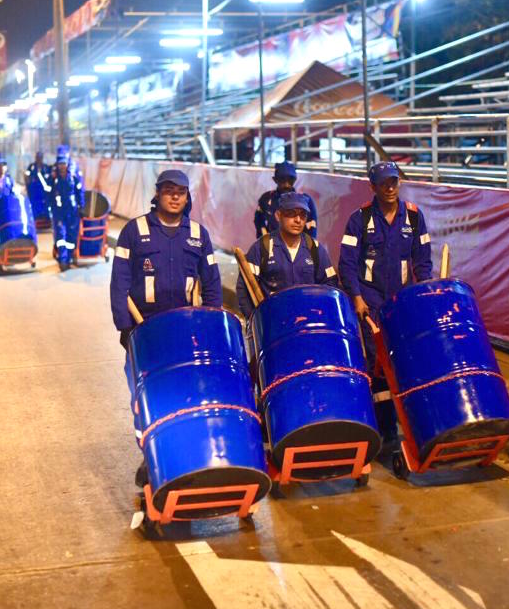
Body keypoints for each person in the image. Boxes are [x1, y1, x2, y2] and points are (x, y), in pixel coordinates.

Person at [109, 169, 222, 485]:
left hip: (185, 331)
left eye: (181, 192)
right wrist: (125, 326)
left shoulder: (199, 234)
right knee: (145, 398)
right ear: (157, 194)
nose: (175, 196)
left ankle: (185, 453)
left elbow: (211, 282)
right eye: (169, 190)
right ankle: (151, 455)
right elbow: (119, 282)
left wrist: (211, 324)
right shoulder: (134, 231)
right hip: (144, 332)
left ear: (187, 197)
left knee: (186, 393)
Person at [338, 161, 432, 448]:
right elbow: (347, 263)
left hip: (400, 304)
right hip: (370, 305)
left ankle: (409, 424)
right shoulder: (359, 219)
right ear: (373, 187)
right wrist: (356, 297)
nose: (390, 188)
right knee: (375, 365)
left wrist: (422, 294)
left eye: (393, 182)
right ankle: (384, 432)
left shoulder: (414, 218)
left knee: (401, 362)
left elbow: (423, 260)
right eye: (383, 184)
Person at [236, 192, 338, 319]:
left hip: (307, 322)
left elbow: (330, 285)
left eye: (303, 215)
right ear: (278, 215)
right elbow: (244, 289)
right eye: (291, 214)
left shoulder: (315, 249)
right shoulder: (261, 248)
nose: (298, 220)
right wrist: (255, 320)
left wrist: (317, 312)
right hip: (275, 324)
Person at [254, 161, 318, 239]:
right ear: (275, 180)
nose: (286, 185)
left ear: (295, 180)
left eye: (290, 180)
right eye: (282, 180)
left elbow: (312, 226)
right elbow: (259, 221)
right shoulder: (266, 199)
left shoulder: (306, 200)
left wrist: (307, 248)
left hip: (297, 246)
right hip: (272, 246)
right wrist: (264, 243)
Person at [50, 148, 82, 270]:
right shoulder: (54, 178)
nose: (62, 166)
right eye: (60, 163)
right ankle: (63, 260)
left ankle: (68, 258)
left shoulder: (73, 176)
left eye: (64, 163)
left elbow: (80, 191)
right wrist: (52, 207)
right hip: (59, 211)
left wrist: (81, 206)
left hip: (72, 211)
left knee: (71, 236)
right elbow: (49, 193)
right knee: (61, 235)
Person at [25, 151, 53, 227]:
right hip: (34, 191)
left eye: (40, 157)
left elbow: (50, 179)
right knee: (35, 206)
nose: (39, 159)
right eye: (37, 157)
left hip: (43, 192)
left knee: (45, 206)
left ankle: (46, 222)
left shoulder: (46, 167)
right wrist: (28, 187)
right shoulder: (31, 167)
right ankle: (35, 220)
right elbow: (27, 177)